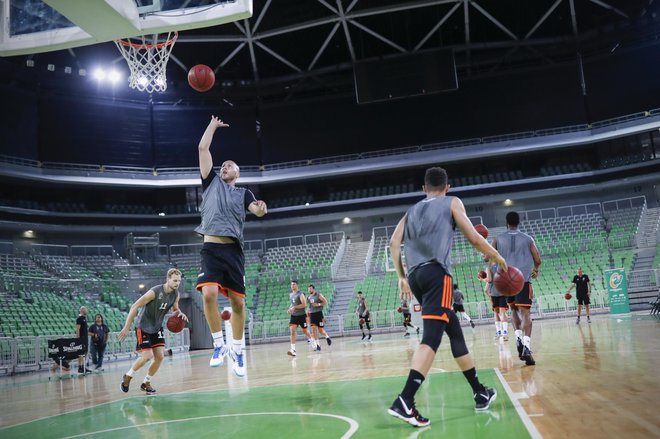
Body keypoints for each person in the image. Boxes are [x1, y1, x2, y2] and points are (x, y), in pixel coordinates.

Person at [387, 167, 508, 427]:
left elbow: (393, 243)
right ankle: (405, 400)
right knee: (431, 338)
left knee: (453, 330)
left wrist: (400, 276)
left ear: (423, 189)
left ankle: (479, 392)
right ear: (447, 187)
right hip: (437, 275)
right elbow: (474, 238)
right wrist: (498, 257)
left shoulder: (411, 210)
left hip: (416, 276)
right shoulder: (452, 202)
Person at [195, 116, 267, 376]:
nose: (224, 167)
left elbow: (257, 212)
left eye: (229, 166)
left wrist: (261, 209)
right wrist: (212, 126)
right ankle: (218, 345)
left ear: (237, 173)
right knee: (209, 294)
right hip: (211, 248)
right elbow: (203, 149)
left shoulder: (244, 193)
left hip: (233, 251)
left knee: (237, 303)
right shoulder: (210, 183)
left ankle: (237, 350)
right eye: (222, 165)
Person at [118, 268, 188, 395]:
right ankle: (128, 376)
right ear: (168, 279)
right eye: (175, 280)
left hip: (157, 327)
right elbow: (135, 306)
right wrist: (127, 327)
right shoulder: (154, 292)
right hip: (143, 326)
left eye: (179, 281)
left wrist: (180, 313)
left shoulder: (175, 294)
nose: (177, 283)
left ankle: (146, 383)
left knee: (160, 356)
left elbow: (175, 309)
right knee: (147, 356)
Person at [492, 211, 542, 366]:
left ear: (506, 223)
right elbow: (537, 259)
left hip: (506, 281)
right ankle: (526, 346)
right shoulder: (528, 238)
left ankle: (518, 338)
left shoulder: (497, 239)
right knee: (526, 313)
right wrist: (535, 270)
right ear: (518, 222)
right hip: (522, 281)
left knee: (513, 310)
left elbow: (488, 257)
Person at [482, 258, 509, 340]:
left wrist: (482, 279)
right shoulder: (502, 266)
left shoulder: (488, 268)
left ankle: (498, 333)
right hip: (502, 292)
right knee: (503, 313)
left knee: (496, 313)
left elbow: (489, 280)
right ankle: (505, 333)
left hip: (494, 293)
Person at [287, 280, 315, 356]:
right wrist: (290, 309)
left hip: (302, 315)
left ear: (297, 285)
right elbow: (292, 304)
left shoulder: (300, 294)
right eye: (291, 284)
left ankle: (312, 341)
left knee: (305, 331)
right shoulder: (291, 294)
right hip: (294, 316)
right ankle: (293, 350)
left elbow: (304, 305)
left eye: (294, 284)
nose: (292, 286)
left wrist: (294, 307)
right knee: (292, 331)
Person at [308, 284, 332, 349]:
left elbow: (325, 302)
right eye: (308, 289)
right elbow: (309, 305)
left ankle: (327, 337)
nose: (309, 290)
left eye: (310, 289)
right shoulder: (309, 297)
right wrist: (308, 310)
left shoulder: (318, 295)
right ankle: (318, 345)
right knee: (313, 330)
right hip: (312, 314)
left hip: (319, 314)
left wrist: (318, 304)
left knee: (320, 330)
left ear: (313, 289)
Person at [75, 306, 89, 374]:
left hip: (85, 338)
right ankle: (80, 367)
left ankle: (83, 366)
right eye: (86, 309)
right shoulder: (79, 318)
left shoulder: (84, 318)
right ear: (82, 310)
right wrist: (78, 339)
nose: (87, 311)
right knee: (81, 353)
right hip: (81, 339)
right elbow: (77, 329)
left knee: (85, 352)